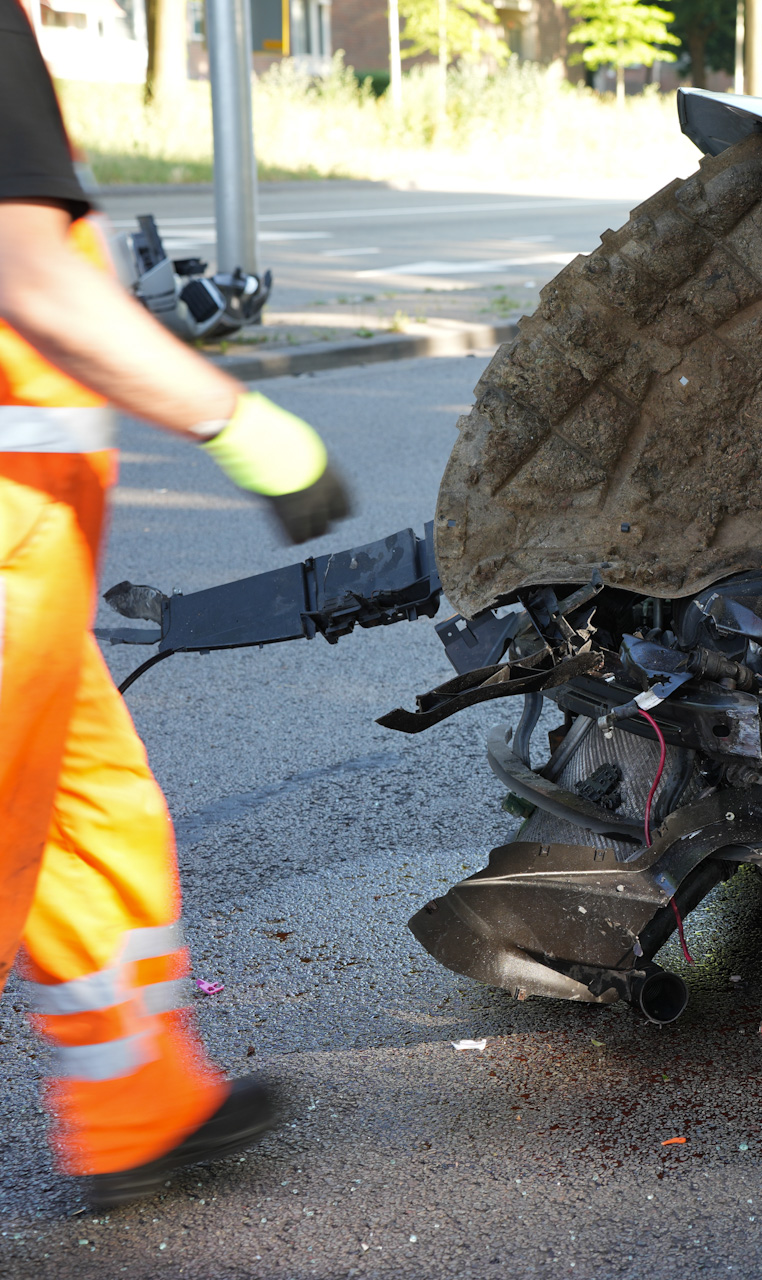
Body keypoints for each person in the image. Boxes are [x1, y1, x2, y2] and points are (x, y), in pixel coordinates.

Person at [1, 0, 352, 1210]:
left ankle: (137, 1107)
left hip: (31, 558)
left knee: (95, 822)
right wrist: (238, 422)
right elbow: (28, 272)